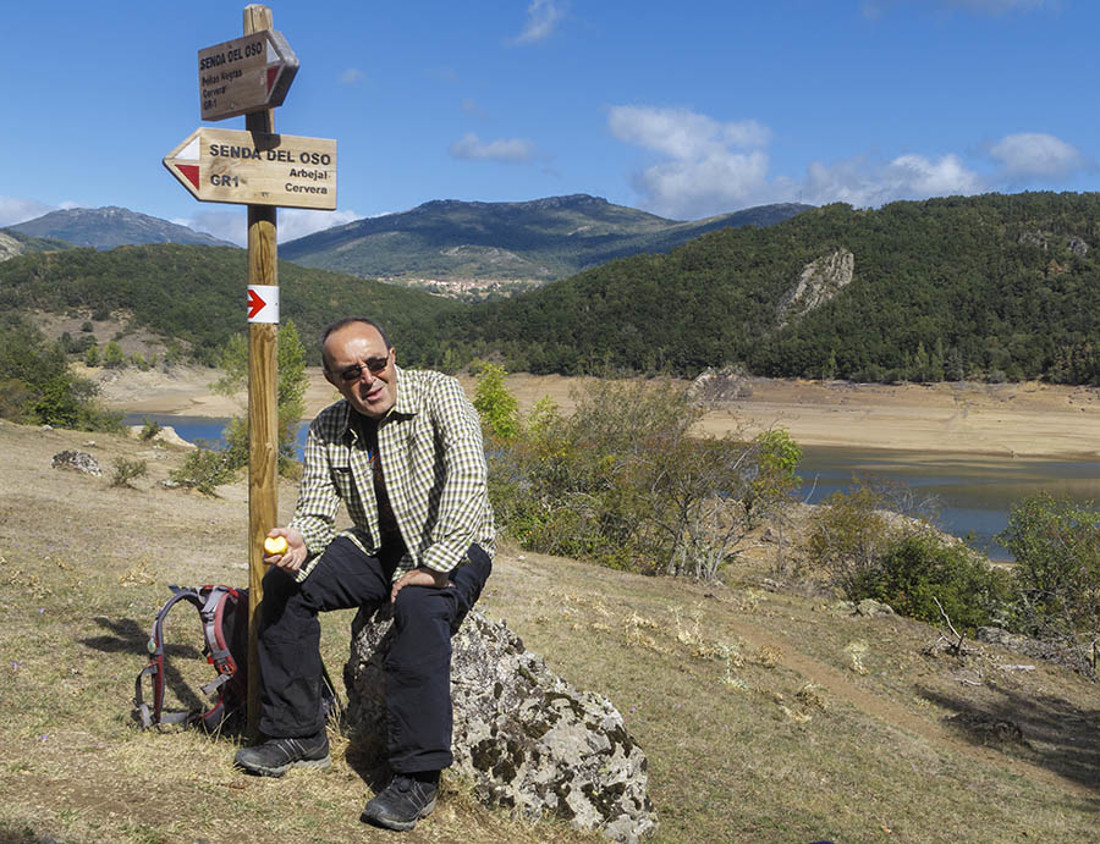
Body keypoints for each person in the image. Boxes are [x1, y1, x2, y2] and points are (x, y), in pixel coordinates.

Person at [234, 316, 494, 832]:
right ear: (333, 378)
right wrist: (300, 540)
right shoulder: (328, 427)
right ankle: (298, 733)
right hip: (377, 545)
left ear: (392, 356)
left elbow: (468, 477)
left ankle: (417, 776)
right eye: (350, 372)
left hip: (454, 544)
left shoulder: (440, 393)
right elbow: (315, 510)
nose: (368, 378)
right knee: (285, 585)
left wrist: (434, 565)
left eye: (376, 363)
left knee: (419, 610)